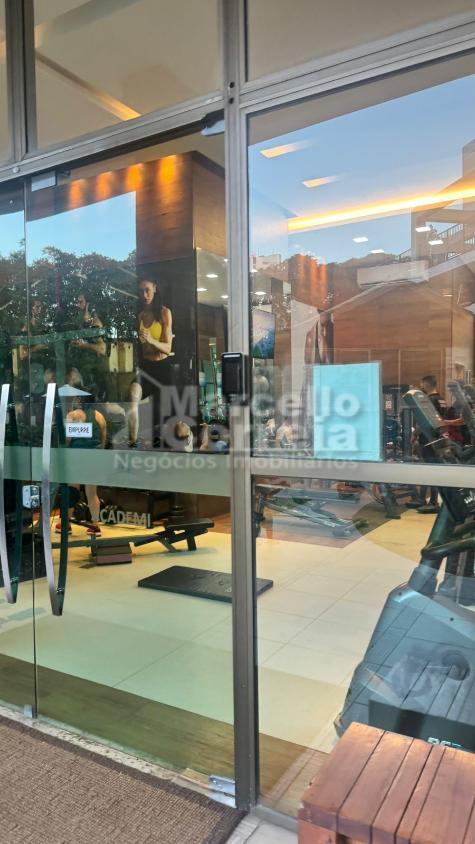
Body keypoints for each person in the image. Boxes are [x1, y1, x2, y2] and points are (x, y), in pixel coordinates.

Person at [128, 278, 173, 447]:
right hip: (146, 367)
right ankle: (132, 442)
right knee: (132, 394)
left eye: (147, 290)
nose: (144, 294)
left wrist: (151, 340)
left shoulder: (164, 313)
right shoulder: (140, 316)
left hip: (162, 369)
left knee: (162, 421)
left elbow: (168, 348)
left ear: (155, 288)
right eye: (141, 291)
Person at [68, 291, 107, 400]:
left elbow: (102, 349)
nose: (77, 305)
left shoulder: (95, 324)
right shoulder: (79, 323)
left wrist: (85, 345)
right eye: (77, 302)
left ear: (87, 305)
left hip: (92, 372)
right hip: (79, 367)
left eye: (80, 302)